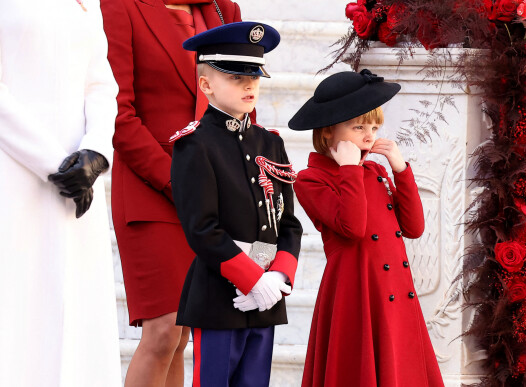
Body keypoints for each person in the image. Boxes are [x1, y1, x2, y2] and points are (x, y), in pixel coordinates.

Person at [99, 1, 242, 385]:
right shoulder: (120, 7)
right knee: (163, 329)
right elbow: (118, 113)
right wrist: (179, 182)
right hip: (151, 186)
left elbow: (240, 99)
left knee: (181, 334)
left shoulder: (222, 9)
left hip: (210, 190)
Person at [288, 69, 445, 387]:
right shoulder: (311, 179)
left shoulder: (375, 169)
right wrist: (348, 168)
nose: (369, 135)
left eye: (374, 126)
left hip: (395, 291)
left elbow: (413, 228)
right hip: (355, 291)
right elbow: (353, 227)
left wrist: (400, 169)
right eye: (357, 126)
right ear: (329, 131)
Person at [170, 22, 303, 387]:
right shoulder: (194, 145)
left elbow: (288, 224)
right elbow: (202, 229)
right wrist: (251, 279)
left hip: (267, 299)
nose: (249, 84)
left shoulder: (270, 143)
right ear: (206, 84)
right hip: (219, 298)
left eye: (255, 76)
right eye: (235, 76)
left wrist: (279, 277)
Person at [0, 0, 122, 386]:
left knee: (79, 305)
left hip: (79, 181)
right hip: (16, 172)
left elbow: (101, 84)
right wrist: (54, 164)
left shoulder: (87, 3)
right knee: (19, 303)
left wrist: (97, 151)